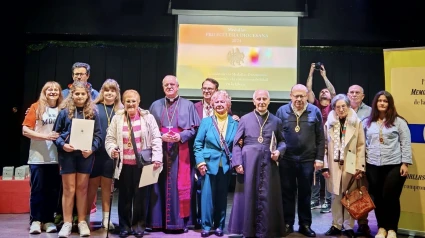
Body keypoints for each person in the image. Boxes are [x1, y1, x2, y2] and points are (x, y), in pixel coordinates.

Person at [227, 89, 286, 238]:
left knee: (268, 196)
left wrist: (279, 152)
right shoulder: (245, 119)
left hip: (268, 164)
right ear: (254, 101)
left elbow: (283, 142)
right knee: (248, 195)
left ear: (269, 101)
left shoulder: (276, 121)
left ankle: (267, 230)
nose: (261, 102)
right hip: (249, 163)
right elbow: (236, 144)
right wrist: (237, 162)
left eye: (264, 99)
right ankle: (246, 229)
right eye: (258, 99)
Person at [105, 89, 163, 238]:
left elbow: (156, 138)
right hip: (124, 166)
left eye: (133, 101)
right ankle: (124, 226)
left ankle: (138, 226)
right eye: (128, 101)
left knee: (141, 198)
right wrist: (112, 150)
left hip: (144, 165)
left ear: (139, 102)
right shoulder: (117, 118)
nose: (131, 104)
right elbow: (109, 139)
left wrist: (157, 157)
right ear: (123, 103)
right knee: (124, 197)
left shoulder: (148, 118)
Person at [147, 75, 201, 232]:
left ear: (178, 86)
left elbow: (194, 129)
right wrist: (160, 136)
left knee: (179, 187)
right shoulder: (155, 105)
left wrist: (181, 136)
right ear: (163, 87)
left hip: (180, 153)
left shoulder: (188, 105)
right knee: (158, 186)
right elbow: (149, 129)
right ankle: (157, 222)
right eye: (166, 85)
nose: (169, 87)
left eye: (172, 84)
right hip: (160, 152)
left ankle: (179, 222)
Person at [53, 81, 103, 237]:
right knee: (69, 190)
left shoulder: (93, 112)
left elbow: (99, 135)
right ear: (72, 95)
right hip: (67, 155)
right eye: (77, 93)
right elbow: (56, 134)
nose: (80, 96)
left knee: (82, 190)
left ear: (87, 95)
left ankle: (82, 222)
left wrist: (92, 149)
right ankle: (67, 223)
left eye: (83, 94)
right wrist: (63, 145)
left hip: (85, 156)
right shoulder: (64, 112)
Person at [275, 84, 325, 237]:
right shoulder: (282, 111)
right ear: (290, 96)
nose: (298, 99)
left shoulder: (315, 111)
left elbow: (320, 138)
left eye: (302, 96)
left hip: (307, 160)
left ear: (307, 96)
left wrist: (319, 158)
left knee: (305, 193)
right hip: (287, 159)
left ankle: (305, 224)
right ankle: (288, 223)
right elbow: (277, 135)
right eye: (295, 96)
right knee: (287, 192)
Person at [363, 91, 412, 238]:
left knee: (390, 197)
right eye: (379, 101)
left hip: (394, 165)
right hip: (372, 165)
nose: (382, 103)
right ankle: (381, 227)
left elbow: (405, 143)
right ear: (375, 103)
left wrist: (405, 163)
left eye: (385, 101)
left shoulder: (399, 122)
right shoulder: (367, 122)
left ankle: (392, 229)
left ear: (389, 104)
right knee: (377, 198)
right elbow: (362, 144)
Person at [193, 78, 239, 228]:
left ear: (228, 104)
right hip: (207, 165)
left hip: (225, 166)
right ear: (212, 104)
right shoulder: (206, 122)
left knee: (222, 198)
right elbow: (198, 144)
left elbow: (237, 146)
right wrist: (200, 162)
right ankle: (206, 226)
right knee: (206, 198)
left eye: (222, 102)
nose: (219, 104)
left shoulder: (235, 123)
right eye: (217, 102)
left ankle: (219, 226)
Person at [321, 94, 365, 238]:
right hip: (333, 164)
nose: (341, 109)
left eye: (343, 106)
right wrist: (325, 166)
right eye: (338, 107)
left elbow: (360, 146)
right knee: (335, 196)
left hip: (351, 162)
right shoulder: (329, 123)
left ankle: (348, 226)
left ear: (348, 106)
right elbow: (324, 147)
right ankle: (336, 225)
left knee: (350, 196)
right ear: (334, 108)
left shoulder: (356, 122)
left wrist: (360, 167)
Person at [22, 81, 64, 234]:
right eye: (49, 90)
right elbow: (25, 130)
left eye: (56, 90)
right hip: (37, 157)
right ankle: (35, 221)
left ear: (60, 93)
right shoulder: (36, 107)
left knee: (53, 191)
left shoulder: (63, 109)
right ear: (44, 92)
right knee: (37, 190)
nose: (53, 92)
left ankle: (48, 220)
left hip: (56, 158)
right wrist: (45, 136)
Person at [85, 79, 123, 230]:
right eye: (106, 90)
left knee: (107, 188)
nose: (109, 93)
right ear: (102, 92)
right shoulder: (94, 108)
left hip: (110, 155)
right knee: (92, 188)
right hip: (95, 153)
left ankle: (106, 219)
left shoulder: (121, 110)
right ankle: (86, 218)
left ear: (117, 93)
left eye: (113, 90)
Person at [306, 62, 336, 213]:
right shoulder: (315, 105)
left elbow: (333, 92)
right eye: (322, 91)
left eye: (326, 92)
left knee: (328, 173)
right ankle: (315, 199)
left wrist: (324, 76)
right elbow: (309, 90)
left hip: (331, 143)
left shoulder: (334, 106)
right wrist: (311, 73)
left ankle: (328, 202)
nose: (324, 92)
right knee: (315, 173)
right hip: (316, 143)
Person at [347, 84, 372, 235]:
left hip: (364, 155)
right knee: (346, 191)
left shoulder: (370, 111)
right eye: (351, 92)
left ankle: (363, 223)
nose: (354, 95)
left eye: (357, 93)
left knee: (362, 191)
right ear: (347, 94)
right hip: (346, 157)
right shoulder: (342, 109)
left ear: (363, 96)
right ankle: (345, 223)